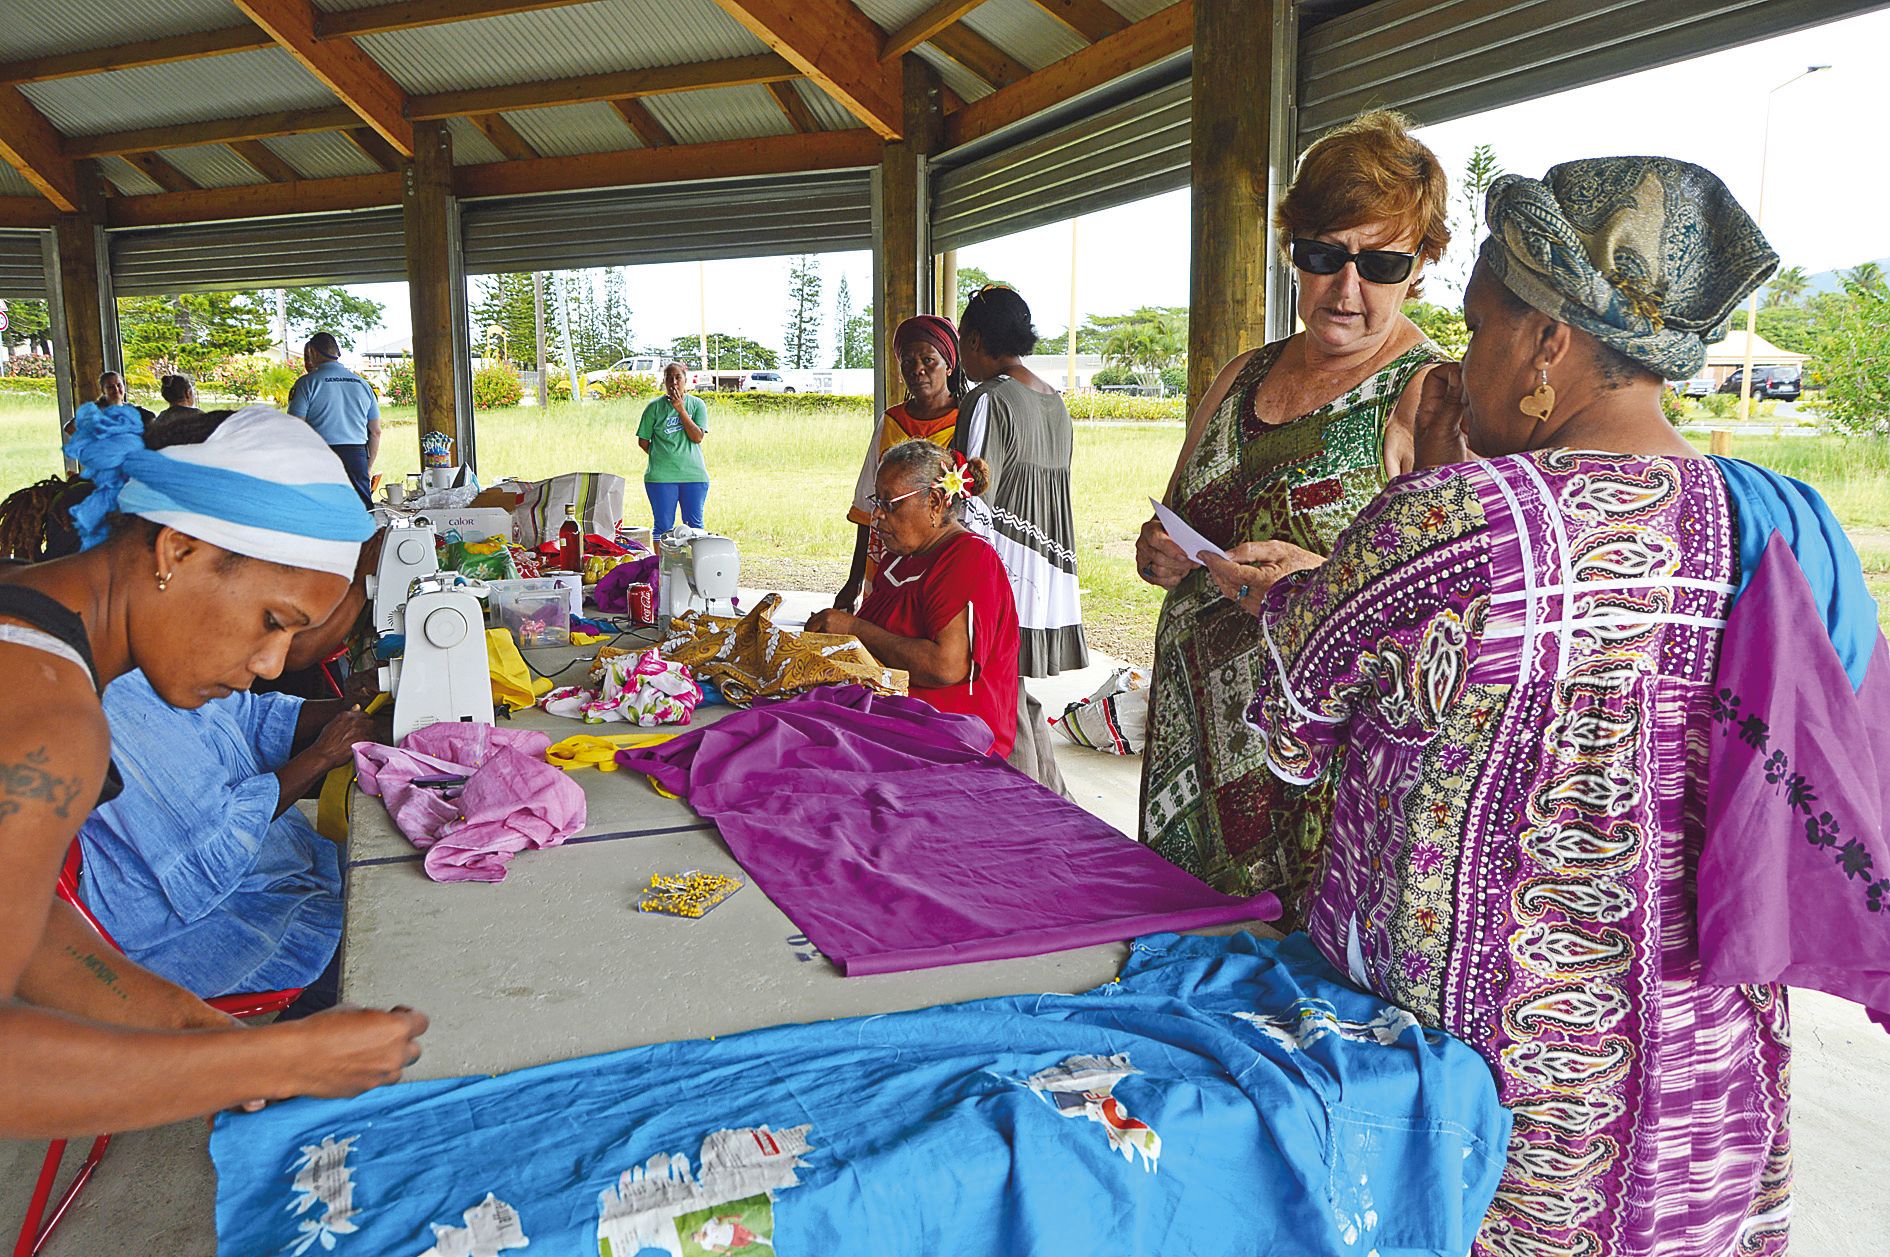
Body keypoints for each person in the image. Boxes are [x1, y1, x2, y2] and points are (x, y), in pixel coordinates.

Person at [1241, 156, 1890, 1256]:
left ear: (1548, 342)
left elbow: (1290, 726)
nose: (1464, 360)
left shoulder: (1455, 521)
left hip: (1475, 1099)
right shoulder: (1777, 524)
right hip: (1702, 1082)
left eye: (1479, 327)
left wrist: (1408, 498)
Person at [0, 402, 426, 1139]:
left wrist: (202, 1032)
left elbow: (33, 926)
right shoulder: (53, 723)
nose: (272, 664)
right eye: (272, 620)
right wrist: (275, 1061)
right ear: (177, 549)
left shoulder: (32, 618)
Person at [1137, 109, 1460, 912]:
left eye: (1380, 263)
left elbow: (1454, 623)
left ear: (1421, 263)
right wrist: (1161, 551)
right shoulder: (1241, 375)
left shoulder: (1429, 399)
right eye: (1323, 256)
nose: (1346, 290)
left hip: (1316, 794)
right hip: (1192, 765)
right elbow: (1176, 517)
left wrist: (1318, 582)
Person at [76, 673, 377, 1003]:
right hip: (199, 924)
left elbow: (251, 718)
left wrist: (346, 708)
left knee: (384, 893)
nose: (268, 665)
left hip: (272, 868)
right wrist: (321, 756)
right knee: (371, 956)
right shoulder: (118, 710)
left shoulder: (158, 669)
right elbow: (215, 850)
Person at [952, 286, 1084, 791]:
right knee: (1016, 687)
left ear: (975, 340)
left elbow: (973, 493)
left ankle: (1028, 799)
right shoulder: (1053, 400)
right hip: (1049, 564)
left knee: (1002, 693)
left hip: (1005, 565)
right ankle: (1056, 796)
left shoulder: (989, 398)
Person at [808, 441, 1018, 756]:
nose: (877, 515)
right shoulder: (898, 558)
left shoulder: (968, 559)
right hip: (894, 721)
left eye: (889, 503)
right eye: (876, 501)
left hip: (948, 738)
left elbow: (946, 666)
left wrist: (853, 629)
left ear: (934, 502)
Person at [835, 315, 968, 610]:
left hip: (942, 554)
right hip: (887, 551)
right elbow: (866, 506)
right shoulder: (891, 422)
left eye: (928, 360)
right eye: (907, 361)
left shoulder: (966, 422)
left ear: (949, 364)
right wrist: (854, 581)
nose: (917, 369)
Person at [287, 332, 381, 506]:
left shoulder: (306, 383)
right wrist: (368, 467)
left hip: (320, 454)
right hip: (356, 455)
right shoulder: (362, 384)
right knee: (362, 509)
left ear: (313, 352)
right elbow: (375, 431)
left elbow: (294, 426)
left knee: (323, 509)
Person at [637, 362, 710, 535]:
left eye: (678, 377)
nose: (674, 382)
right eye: (669, 378)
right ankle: (660, 555)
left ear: (685, 380)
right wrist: (662, 456)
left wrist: (680, 410)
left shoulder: (697, 405)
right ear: (664, 382)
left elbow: (697, 437)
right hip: (661, 477)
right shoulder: (654, 407)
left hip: (694, 476)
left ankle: (693, 555)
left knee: (694, 527)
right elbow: (643, 441)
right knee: (662, 527)